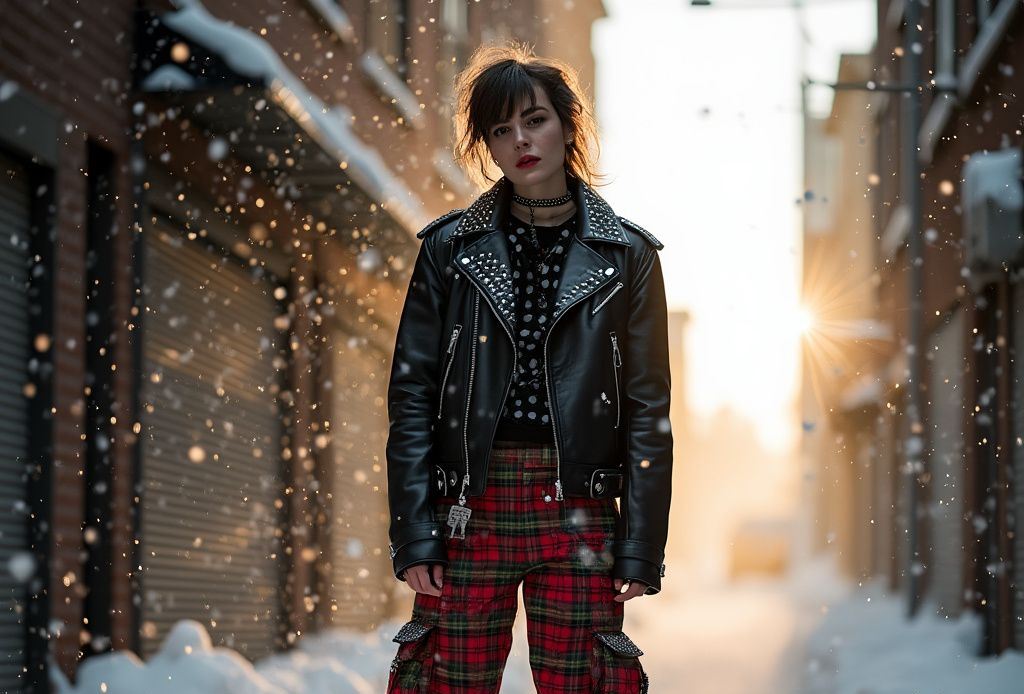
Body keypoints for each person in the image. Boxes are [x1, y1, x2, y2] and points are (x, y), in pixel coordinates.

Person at [384, 39, 672, 693]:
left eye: (535, 120)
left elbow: (648, 410)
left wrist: (640, 544)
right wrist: (416, 531)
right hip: (468, 504)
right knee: (446, 681)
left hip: (581, 507)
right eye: (500, 129)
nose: (520, 140)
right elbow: (412, 395)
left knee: (585, 683)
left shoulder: (628, 256)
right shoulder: (448, 250)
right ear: (486, 144)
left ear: (568, 125)